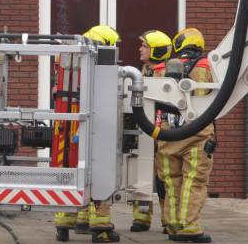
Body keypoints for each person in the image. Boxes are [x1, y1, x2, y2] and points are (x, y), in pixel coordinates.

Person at [55, 25, 121, 243]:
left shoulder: (71, 61)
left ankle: (64, 224)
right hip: (91, 127)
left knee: (70, 173)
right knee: (98, 174)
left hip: (68, 125)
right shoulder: (96, 64)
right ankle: (101, 229)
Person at [156, 28, 215, 243]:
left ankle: (172, 224)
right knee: (194, 181)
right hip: (198, 134)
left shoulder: (161, 69)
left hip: (167, 134)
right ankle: (188, 226)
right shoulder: (209, 67)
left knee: (171, 181)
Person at [131, 30, 174, 233]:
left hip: (162, 134)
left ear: (156, 51)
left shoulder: (166, 76)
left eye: (145, 46)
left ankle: (168, 220)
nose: (140, 49)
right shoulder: (141, 73)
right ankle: (141, 218)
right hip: (143, 133)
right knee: (141, 176)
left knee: (164, 178)